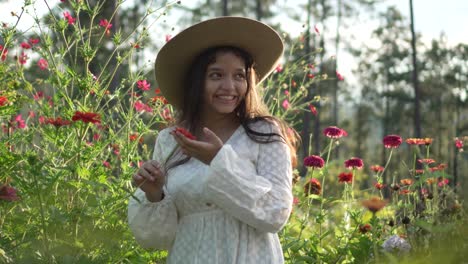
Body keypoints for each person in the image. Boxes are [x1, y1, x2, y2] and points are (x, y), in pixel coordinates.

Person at [128, 16, 299, 264]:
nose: (229, 86)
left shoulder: (265, 134)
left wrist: (219, 162)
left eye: (239, 76)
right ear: (197, 82)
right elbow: (156, 240)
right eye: (216, 75)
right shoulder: (170, 139)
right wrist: (155, 195)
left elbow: (275, 214)